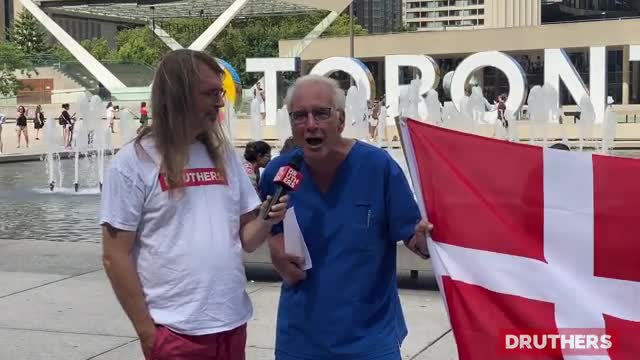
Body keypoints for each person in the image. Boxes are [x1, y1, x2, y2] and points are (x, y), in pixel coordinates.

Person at [100, 49, 289, 360]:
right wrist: (148, 334)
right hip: (174, 333)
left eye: (221, 92)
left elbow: (248, 240)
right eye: (210, 93)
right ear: (178, 95)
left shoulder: (224, 154)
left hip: (231, 325)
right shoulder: (133, 162)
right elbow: (114, 256)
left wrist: (267, 219)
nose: (219, 102)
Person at [259, 74, 431, 360]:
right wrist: (274, 246)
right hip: (301, 339)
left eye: (321, 113)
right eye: (300, 116)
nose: (311, 123)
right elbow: (270, 229)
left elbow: (413, 238)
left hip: (370, 340)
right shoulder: (279, 173)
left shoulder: (378, 167)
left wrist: (428, 240)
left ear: (340, 119)